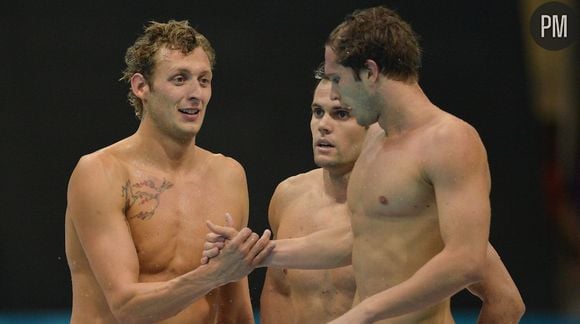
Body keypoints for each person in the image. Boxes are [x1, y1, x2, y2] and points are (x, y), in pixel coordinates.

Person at [204, 6, 525, 323]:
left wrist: (365, 311)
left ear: (370, 73)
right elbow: (358, 240)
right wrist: (257, 254)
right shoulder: (375, 143)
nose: (335, 92)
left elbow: (466, 261)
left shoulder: (450, 139)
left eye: (337, 79)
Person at [258, 75, 524, 324]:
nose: (324, 125)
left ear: (373, 122)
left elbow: (505, 301)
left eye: (341, 113)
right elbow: (279, 291)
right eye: (317, 112)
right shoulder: (289, 195)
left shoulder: (415, 206)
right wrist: (249, 254)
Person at [65, 20, 272, 323]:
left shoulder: (228, 175)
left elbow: (234, 309)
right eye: (179, 79)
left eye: (204, 80)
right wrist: (214, 273)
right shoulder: (101, 173)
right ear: (141, 86)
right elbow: (126, 307)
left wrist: (224, 272)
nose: (196, 93)